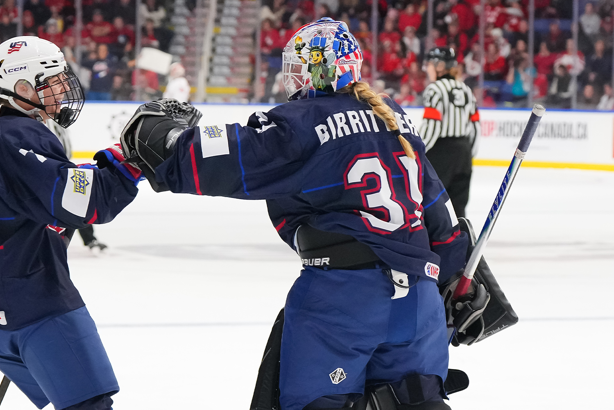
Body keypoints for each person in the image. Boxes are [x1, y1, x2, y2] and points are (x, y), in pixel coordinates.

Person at [119, 18, 471, 410]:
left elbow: (229, 156)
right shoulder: (393, 114)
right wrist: (458, 280)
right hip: (420, 306)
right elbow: (440, 212)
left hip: (343, 300)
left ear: (318, 69)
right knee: (417, 402)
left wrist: (167, 140)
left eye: (297, 66)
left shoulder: (303, 122)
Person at [0, 36, 140, 410]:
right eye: (51, 81)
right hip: (32, 303)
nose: (63, 88)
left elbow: (52, 194)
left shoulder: (1, 132)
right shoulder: (18, 135)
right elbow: (86, 203)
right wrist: (130, 162)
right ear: (21, 87)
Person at [418, 47, 480, 219]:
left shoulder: (435, 89)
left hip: (441, 152)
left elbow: (432, 126)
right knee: (458, 204)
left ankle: (435, 242)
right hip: (464, 152)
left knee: (434, 202)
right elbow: (476, 127)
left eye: (429, 64)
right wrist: (468, 154)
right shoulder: (466, 89)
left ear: (439, 65)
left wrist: (416, 150)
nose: (427, 68)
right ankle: (462, 240)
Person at [46, 118, 110, 253]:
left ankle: (89, 239)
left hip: (61, 166)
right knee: (75, 201)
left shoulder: (58, 121)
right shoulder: (42, 121)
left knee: (78, 200)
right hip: (51, 168)